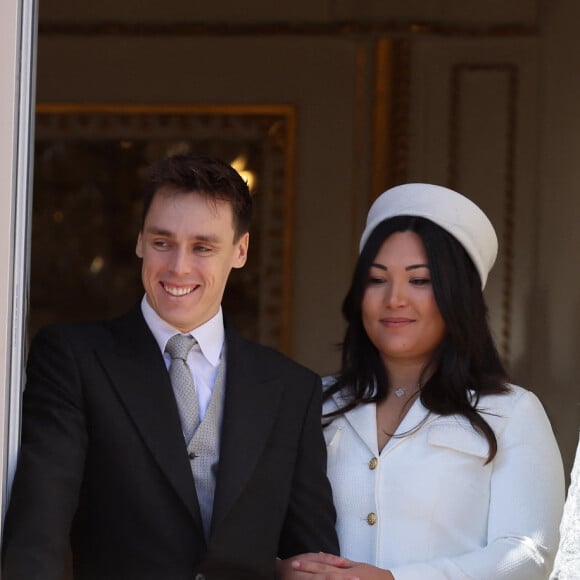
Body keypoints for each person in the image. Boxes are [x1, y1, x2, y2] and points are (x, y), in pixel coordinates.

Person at [2, 153, 338, 580]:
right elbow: (38, 531)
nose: (178, 266)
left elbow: (316, 561)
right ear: (141, 240)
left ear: (240, 250)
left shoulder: (292, 389)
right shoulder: (73, 358)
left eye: (202, 247)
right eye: (162, 242)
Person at [283, 183, 565, 580]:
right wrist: (282, 569)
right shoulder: (314, 403)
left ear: (457, 295)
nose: (395, 298)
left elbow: (528, 554)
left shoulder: (511, 412)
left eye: (419, 281)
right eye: (377, 279)